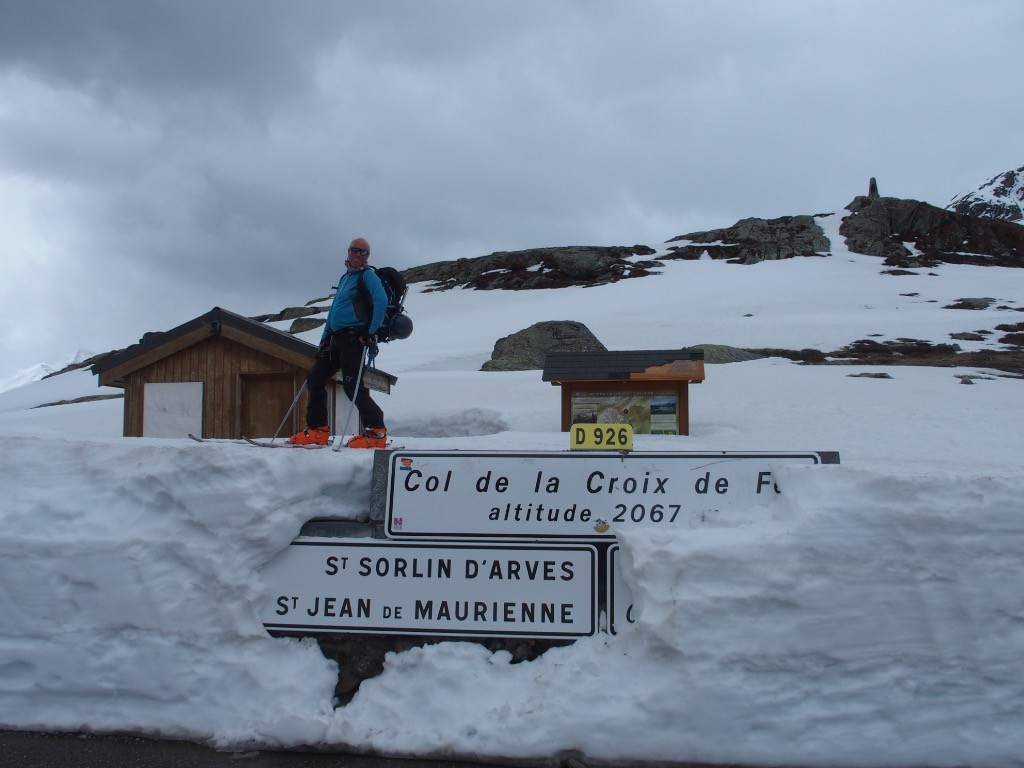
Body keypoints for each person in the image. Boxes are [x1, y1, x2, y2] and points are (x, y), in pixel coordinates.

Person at [289, 237, 388, 448]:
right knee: (315, 378)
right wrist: (324, 339)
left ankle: (377, 432)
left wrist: (370, 331)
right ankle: (318, 430)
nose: (358, 254)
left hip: (355, 338)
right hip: (336, 339)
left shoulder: (367, 276)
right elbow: (334, 311)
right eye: (355, 250)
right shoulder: (345, 279)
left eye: (363, 252)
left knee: (352, 386)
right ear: (349, 251)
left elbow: (381, 301)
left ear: (367, 257)